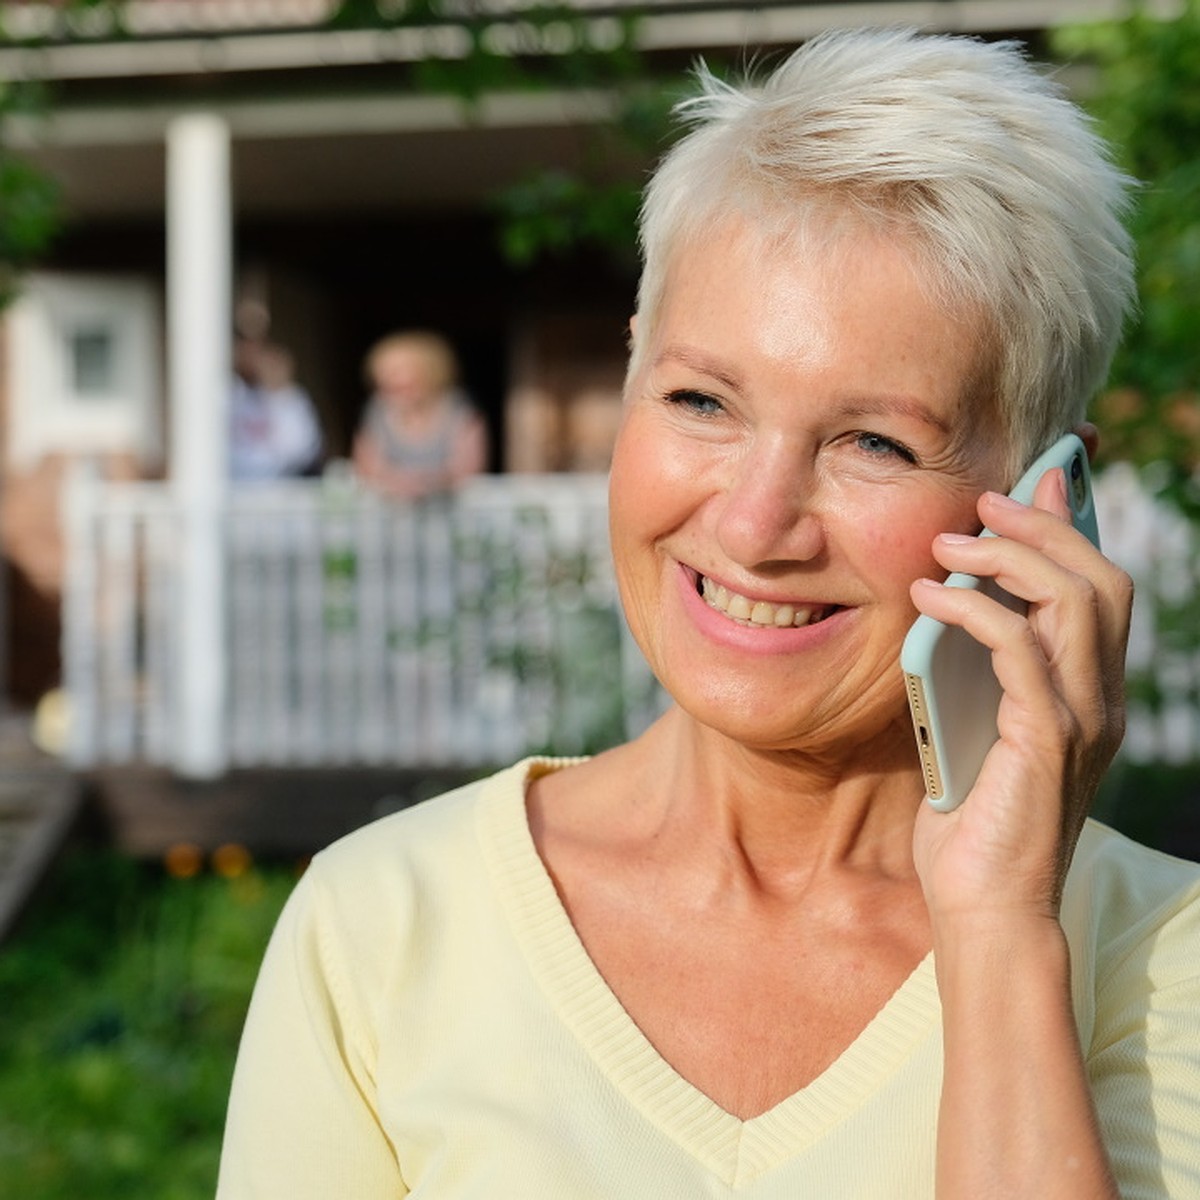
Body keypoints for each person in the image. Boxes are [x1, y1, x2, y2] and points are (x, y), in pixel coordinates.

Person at [217, 29, 1200, 1198]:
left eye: (873, 442)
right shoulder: (382, 925)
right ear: (632, 377)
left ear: (1044, 503)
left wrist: (998, 935)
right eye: (702, 400)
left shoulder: (1159, 959)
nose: (752, 525)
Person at [351, 330, 487, 499]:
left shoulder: (459, 410)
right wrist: (395, 484)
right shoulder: (376, 412)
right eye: (386, 385)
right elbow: (367, 467)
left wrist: (428, 484)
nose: (394, 390)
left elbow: (467, 468)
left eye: (402, 382)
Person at [229, 338, 323, 481]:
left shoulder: (294, 402)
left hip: (282, 486)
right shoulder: (239, 396)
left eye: (274, 366)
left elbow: (301, 451)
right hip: (237, 485)